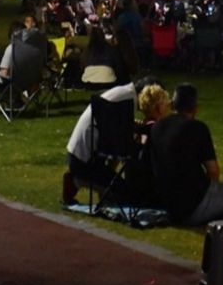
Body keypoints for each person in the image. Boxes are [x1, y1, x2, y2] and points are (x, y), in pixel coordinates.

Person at [149, 83, 223, 225]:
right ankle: (222, 218)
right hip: (194, 203)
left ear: (172, 104)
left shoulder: (157, 127)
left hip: (168, 203)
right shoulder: (197, 128)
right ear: (195, 108)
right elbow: (213, 171)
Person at [62, 77, 162, 206]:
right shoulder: (127, 101)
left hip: (82, 154)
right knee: (127, 198)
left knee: (119, 189)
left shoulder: (123, 93)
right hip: (86, 161)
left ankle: (84, 178)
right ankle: (77, 179)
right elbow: (117, 143)